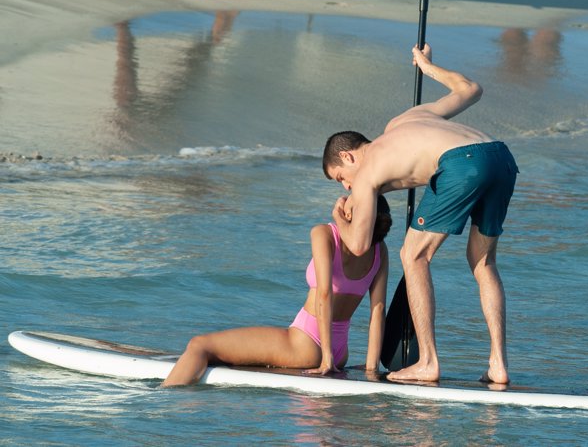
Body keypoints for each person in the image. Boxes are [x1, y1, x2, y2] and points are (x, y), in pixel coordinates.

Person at [322, 44, 518, 384]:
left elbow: (357, 245)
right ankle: (498, 364)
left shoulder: (367, 171)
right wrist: (429, 68)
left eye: (341, 178)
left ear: (349, 157)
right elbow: (471, 89)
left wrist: (339, 218)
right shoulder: (405, 119)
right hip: (500, 156)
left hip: (462, 165)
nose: (348, 188)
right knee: (483, 262)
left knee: (413, 255)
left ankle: (428, 361)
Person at [162, 196, 392, 387]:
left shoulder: (325, 233)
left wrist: (325, 360)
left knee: (200, 345)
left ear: (351, 214)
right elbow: (378, 310)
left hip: (306, 342)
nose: (342, 198)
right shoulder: (380, 250)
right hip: (341, 350)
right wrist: (371, 368)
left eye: (349, 198)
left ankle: (161, 403)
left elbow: (324, 293)